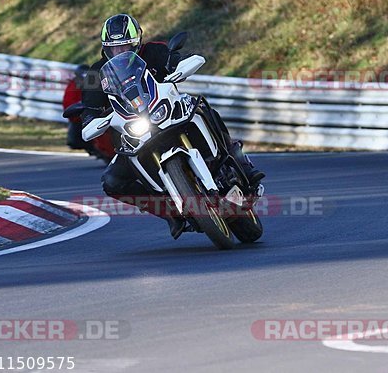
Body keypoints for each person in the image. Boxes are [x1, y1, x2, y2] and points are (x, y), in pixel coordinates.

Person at [81, 13, 264, 238]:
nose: (120, 52)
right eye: (114, 49)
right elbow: (89, 110)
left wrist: (183, 65)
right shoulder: (96, 73)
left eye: (126, 46)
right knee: (112, 181)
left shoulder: (154, 51)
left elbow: (177, 60)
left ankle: (240, 161)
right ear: (105, 48)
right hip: (135, 132)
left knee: (205, 109)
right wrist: (90, 121)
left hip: (170, 111)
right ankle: (170, 214)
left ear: (137, 42)